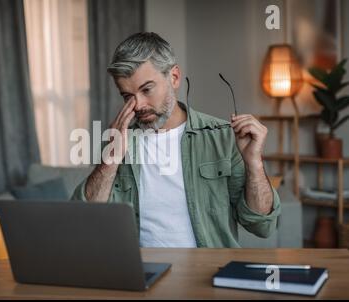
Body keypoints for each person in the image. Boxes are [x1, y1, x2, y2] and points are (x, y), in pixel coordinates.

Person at [72, 32, 281, 248]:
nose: (138, 105)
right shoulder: (119, 140)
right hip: (140, 272)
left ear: (174, 77)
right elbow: (84, 224)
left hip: (207, 271)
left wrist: (254, 163)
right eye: (127, 96)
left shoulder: (223, 137)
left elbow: (263, 226)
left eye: (146, 89)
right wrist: (110, 159)